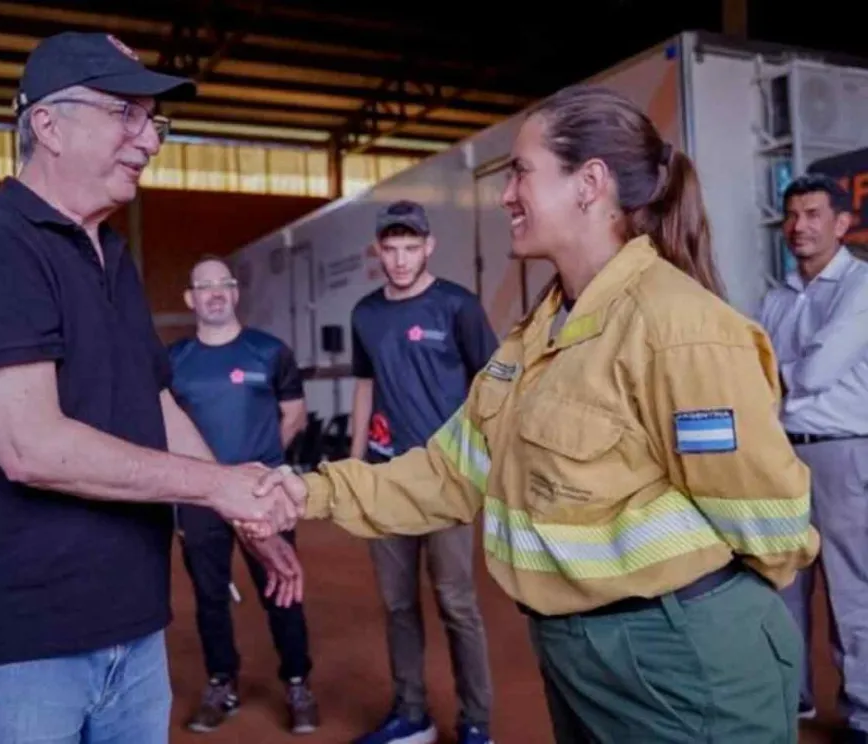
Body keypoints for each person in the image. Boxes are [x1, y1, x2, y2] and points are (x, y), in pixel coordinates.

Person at [253, 84, 820, 743]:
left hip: (682, 662)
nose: (505, 195)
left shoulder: (678, 326)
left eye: (520, 172)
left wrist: (687, 615)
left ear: (590, 183)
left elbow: (773, 529)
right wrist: (308, 489)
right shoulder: (536, 337)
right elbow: (448, 474)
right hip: (578, 652)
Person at [0, 31, 302, 744]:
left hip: (132, 630)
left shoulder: (113, 255)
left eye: (154, 120)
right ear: (49, 126)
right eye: (127, 113)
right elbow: (28, 445)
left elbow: (155, 403)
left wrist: (242, 509)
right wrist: (218, 488)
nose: (150, 139)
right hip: (18, 646)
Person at [347, 200, 497, 744]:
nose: (401, 259)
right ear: (378, 251)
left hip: (448, 479)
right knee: (397, 603)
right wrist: (354, 466)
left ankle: (476, 721)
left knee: (457, 603)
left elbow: (492, 386)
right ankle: (412, 714)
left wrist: (482, 464)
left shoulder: (459, 306)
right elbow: (364, 387)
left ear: (429, 247)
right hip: (387, 479)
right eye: (391, 249)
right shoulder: (366, 313)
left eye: (412, 248)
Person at [169, 255, 319, 735]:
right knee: (209, 596)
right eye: (203, 285)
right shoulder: (172, 363)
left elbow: (293, 413)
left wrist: (262, 468)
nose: (214, 292)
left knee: (282, 589)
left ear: (235, 293)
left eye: (224, 284)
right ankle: (222, 682)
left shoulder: (269, 352)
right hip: (199, 499)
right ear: (190, 299)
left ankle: (297, 682)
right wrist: (207, 482)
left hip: (264, 496)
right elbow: (166, 427)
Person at [759, 173, 868, 743]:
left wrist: (775, 379)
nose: (800, 226)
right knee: (782, 587)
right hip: (781, 457)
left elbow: (819, 369)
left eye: (814, 214)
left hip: (842, 456)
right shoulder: (776, 296)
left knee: (853, 590)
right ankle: (790, 698)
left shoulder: (861, 287)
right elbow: (754, 367)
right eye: (793, 215)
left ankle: (864, 712)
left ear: (843, 224)